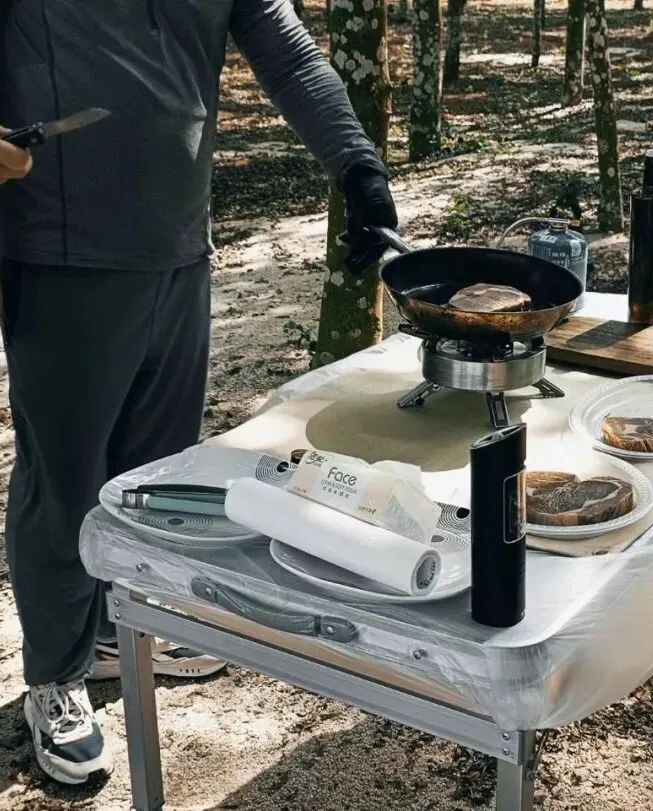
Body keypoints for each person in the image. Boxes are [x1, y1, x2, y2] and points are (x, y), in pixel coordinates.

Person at [0, 0, 397, 785]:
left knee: (154, 471)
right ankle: (55, 672)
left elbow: (289, 55)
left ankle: (114, 628)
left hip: (182, 245)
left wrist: (357, 167)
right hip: (61, 257)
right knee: (64, 482)